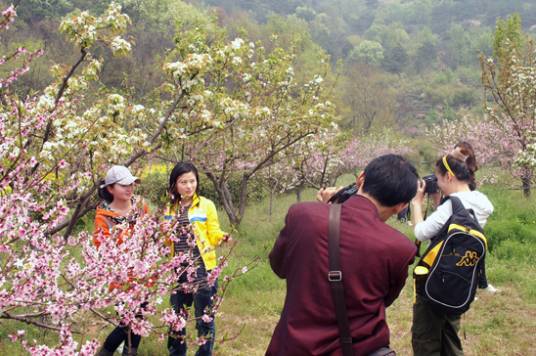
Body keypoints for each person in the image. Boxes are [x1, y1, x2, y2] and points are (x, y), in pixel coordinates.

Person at [267, 154, 419, 356]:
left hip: (293, 346)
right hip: (358, 349)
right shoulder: (399, 247)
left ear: (361, 178)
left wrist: (326, 209)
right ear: (402, 206)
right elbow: (383, 300)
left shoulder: (302, 215)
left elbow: (279, 266)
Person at [410, 143, 494, 356]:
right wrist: (439, 201)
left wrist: (417, 205)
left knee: (426, 337)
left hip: (435, 279)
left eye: (438, 179)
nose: (437, 184)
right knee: (450, 334)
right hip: (459, 278)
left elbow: (421, 232)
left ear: (448, 177)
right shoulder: (482, 202)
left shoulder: (451, 205)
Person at [165, 162, 228, 356]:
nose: (189, 186)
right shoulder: (170, 208)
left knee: (204, 317)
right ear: (175, 184)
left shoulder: (206, 205)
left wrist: (222, 237)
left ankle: (204, 352)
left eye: (192, 181)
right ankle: (177, 352)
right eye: (183, 182)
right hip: (179, 269)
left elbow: (214, 232)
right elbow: (165, 236)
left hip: (202, 268)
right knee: (176, 316)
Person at [94, 165, 148, 356]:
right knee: (126, 322)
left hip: (143, 274)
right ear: (110, 188)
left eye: (131, 184)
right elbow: (102, 248)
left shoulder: (141, 207)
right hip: (120, 279)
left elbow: (151, 233)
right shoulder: (104, 216)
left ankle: (129, 353)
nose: (129, 188)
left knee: (139, 320)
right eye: (123, 185)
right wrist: (117, 237)